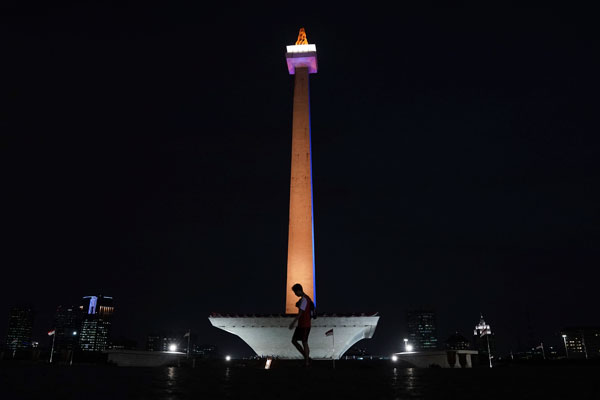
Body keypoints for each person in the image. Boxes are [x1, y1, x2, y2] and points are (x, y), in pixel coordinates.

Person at [288, 283, 313, 366]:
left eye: (295, 292)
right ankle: (306, 358)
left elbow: (300, 313)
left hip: (305, 324)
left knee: (304, 342)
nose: (295, 294)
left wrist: (293, 323)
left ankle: (307, 362)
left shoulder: (304, 299)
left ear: (299, 290)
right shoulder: (305, 299)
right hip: (302, 324)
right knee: (295, 341)